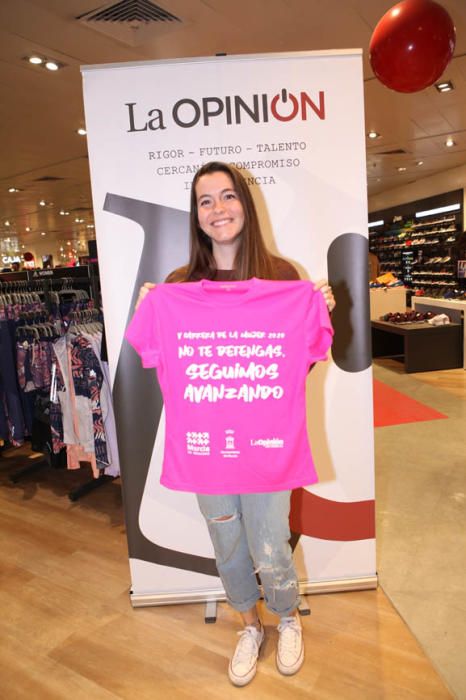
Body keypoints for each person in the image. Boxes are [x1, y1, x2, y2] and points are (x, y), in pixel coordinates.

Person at [134, 161, 336, 687]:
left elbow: (299, 363)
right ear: (196, 216)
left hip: (268, 447)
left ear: (244, 203)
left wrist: (316, 310)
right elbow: (154, 352)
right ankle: (250, 625)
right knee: (226, 542)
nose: (218, 209)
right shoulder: (177, 287)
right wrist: (151, 310)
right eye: (206, 200)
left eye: (227, 196)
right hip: (206, 450)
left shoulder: (283, 278)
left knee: (271, 542)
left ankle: (287, 617)